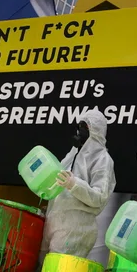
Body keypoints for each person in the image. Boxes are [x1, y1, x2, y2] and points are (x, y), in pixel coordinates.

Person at [41, 109, 116, 258]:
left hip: (76, 229)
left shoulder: (102, 160)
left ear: (96, 130)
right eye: (80, 125)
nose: (80, 130)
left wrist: (74, 184)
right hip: (53, 221)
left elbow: (100, 197)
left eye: (85, 126)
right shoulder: (73, 154)